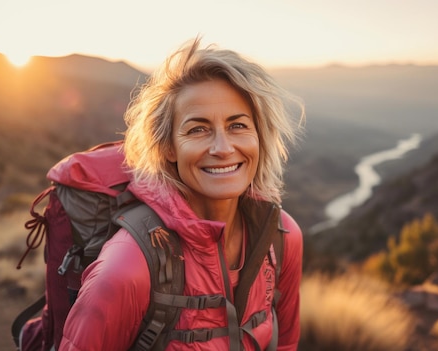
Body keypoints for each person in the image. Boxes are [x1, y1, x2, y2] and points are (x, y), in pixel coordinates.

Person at [59, 37, 305, 351]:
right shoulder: (125, 270)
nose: (222, 148)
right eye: (197, 129)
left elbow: (286, 344)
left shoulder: (282, 238)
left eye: (238, 125)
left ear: (260, 136)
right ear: (168, 148)